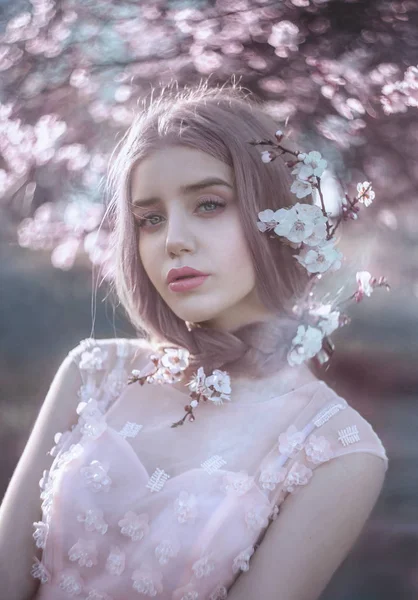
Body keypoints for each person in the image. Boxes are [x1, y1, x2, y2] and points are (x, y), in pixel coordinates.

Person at [0, 80, 388, 600]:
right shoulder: (93, 373)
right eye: (150, 219)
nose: (172, 239)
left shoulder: (338, 449)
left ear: (275, 213)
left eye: (208, 204)